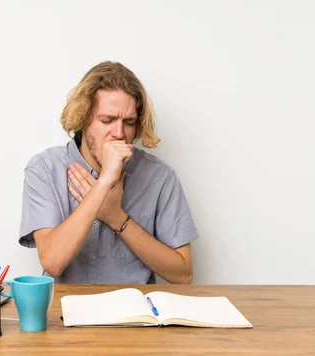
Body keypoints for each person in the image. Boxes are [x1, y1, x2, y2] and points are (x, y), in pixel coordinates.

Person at [18, 61, 200, 284]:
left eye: (129, 122)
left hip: (134, 314)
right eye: (107, 120)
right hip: (65, 314)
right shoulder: (44, 169)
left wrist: (117, 218)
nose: (119, 133)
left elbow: (183, 274)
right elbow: (53, 261)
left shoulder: (160, 177)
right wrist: (104, 183)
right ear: (83, 118)